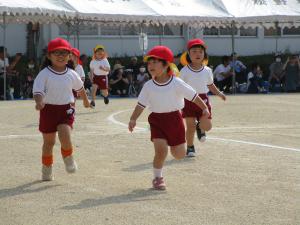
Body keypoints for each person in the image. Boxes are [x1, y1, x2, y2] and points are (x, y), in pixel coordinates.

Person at [128, 46, 209, 190]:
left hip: (175, 120)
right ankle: (158, 178)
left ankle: (175, 146)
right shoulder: (148, 86)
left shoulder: (176, 82)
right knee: (161, 151)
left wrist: (204, 108)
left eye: (155, 62)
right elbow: (141, 104)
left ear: (166, 65)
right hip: (157, 120)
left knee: (179, 154)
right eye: (149, 63)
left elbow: (194, 96)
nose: (150, 66)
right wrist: (133, 119)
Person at [33, 38, 90, 181]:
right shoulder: (44, 73)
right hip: (48, 110)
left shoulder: (72, 73)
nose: (60, 56)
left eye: (64, 53)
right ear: (49, 56)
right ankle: (47, 169)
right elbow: (38, 91)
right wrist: (39, 102)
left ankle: (68, 158)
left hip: (66, 109)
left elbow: (80, 88)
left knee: (65, 134)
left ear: (70, 56)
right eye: (56, 53)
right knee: (49, 143)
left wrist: (85, 100)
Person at [180, 39, 226, 157]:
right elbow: (179, 87)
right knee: (189, 127)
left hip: (203, 101)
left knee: (207, 126)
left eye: (200, 51)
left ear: (204, 54)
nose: (197, 54)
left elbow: (211, 86)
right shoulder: (184, 71)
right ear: (188, 54)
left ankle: (200, 128)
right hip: (188, 101)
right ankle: (190, 148)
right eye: (194, 51)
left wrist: (219, 94)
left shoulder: (207, 70)